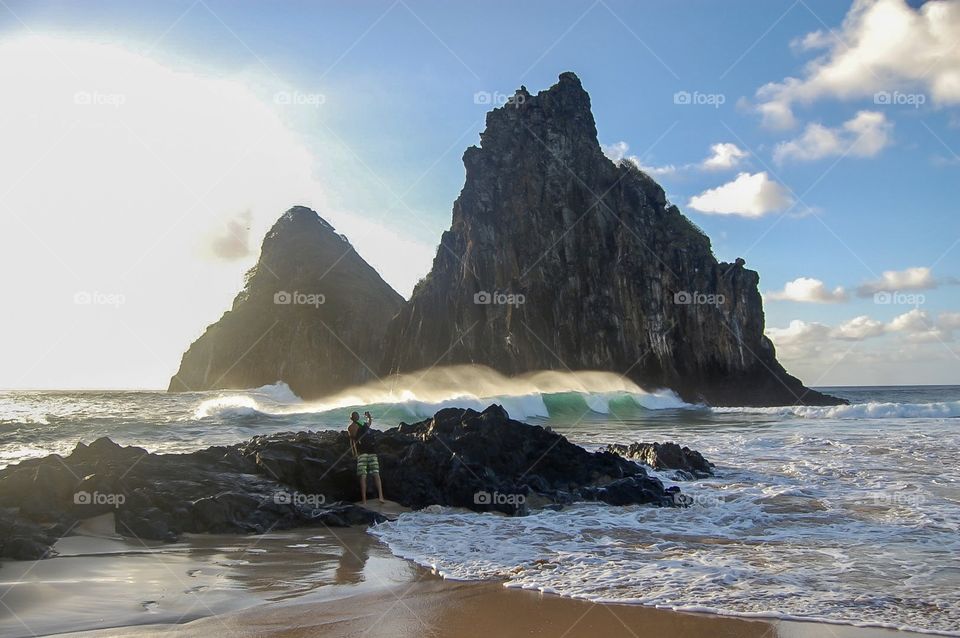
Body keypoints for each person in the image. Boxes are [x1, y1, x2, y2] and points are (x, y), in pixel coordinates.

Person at [348, 411, 384, 505]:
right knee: (376, 474)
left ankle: (364, 500)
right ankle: (381, 497)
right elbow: (369, 422)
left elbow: (353, 442)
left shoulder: (351, 428)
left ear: (351, 418)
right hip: (372, 451)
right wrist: (369, 416)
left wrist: (354, 454)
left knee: (363, 476)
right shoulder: (363, 424)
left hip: (362, 454)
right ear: (358, 417)